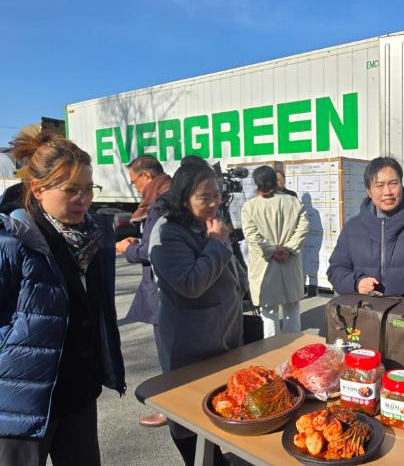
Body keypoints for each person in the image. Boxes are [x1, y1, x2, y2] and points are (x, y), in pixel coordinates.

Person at [0, 131, 125, 466]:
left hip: (79, 391)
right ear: (38, 189)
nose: (83, 199)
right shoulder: (13, 239)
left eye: (89, 188)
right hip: (22, 402)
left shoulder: (91, 238)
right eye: (71, 190)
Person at [149, 163, 242, 466]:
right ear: (184, 196)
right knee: (188, 411)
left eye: (217, 194)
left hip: (220, 336)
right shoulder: (167, 231)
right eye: (205, 197)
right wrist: (215, 243)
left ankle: (215, 458)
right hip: (189, 341)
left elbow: (229, 268)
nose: (214, 202)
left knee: (218, 405)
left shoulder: (207, 222)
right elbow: (190, 283)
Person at [327, 157, 404, 302]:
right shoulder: (352, 228)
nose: (387, 191)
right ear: (369, 191)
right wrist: (356, 283)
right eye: (379, 185)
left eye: (393, 183)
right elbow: (336, 269)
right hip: (364, 313)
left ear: (401, 184)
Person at [115, 155, 171, 428]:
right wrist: (141, 241)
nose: (135, 187)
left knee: (168, 353)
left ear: (147, 176)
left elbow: (154, 249)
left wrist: (128, 249)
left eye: (135, 181)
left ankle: (170, 409)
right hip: (174, 287)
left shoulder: (160, 201)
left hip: (162, 289)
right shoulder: (174, 193)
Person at [241, 166, 310, 338]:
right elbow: (303, 227)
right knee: (292, 308)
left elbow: (251, 235)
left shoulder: (250, 206)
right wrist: (288, 249)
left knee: (269, 312)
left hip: (265, 265)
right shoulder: (293, 202)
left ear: (256, 183)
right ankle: (294, 344)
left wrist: (271, 251)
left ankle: (272, 347)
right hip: (290, 261)